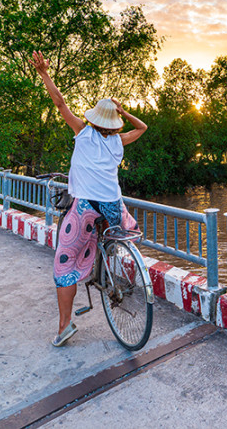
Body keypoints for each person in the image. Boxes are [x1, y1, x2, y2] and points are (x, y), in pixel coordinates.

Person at [31, 51, 148, 347]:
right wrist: (123, 113)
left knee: (64, 263)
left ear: (94, 119)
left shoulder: (82, 133)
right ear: (114, 123)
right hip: (113, 207)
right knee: (113, 229)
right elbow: (143, 128)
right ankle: (109, 254)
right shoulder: (119, 141)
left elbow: (59, 102)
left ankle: (64, 325)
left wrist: (45, 72)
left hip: (85, 206)